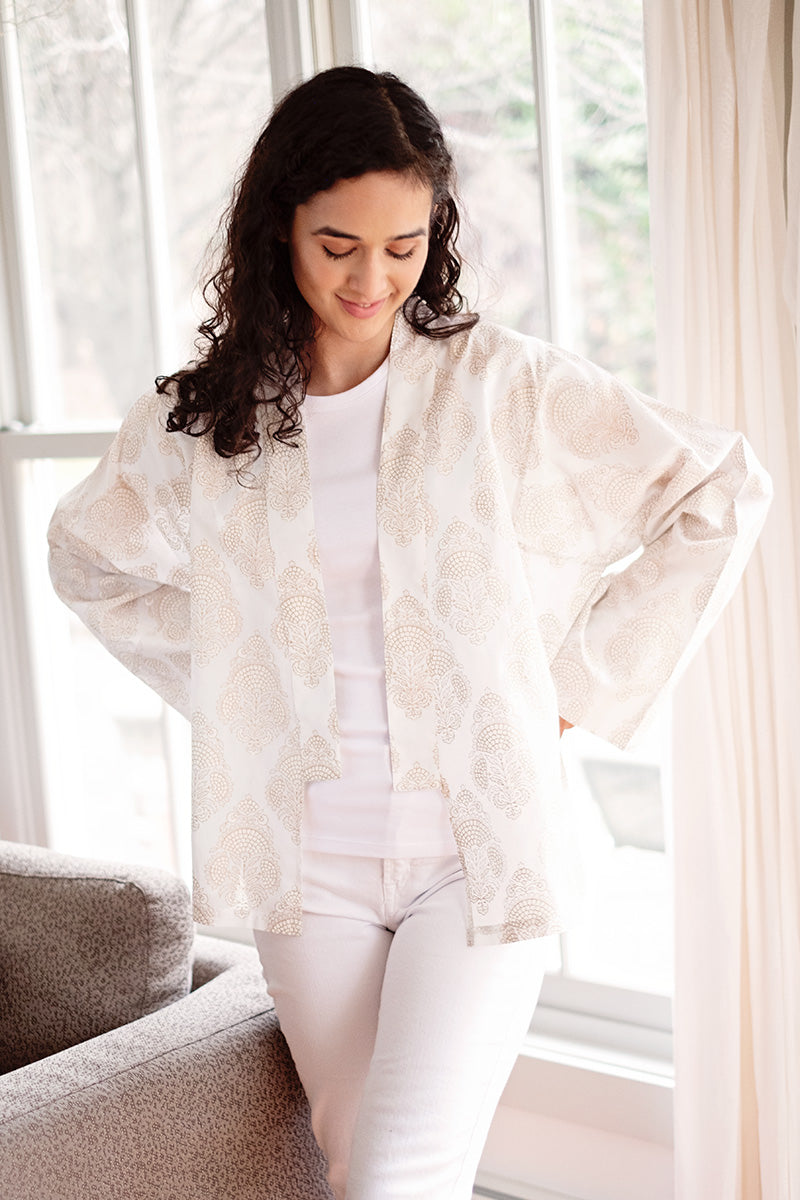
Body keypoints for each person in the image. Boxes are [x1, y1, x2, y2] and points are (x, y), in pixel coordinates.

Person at [47, 66, 772, 1200]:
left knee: (399, 1177)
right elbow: (86, 556)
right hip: (307, 862)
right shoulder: (206, 423)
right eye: (338, 245)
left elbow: (720, 489)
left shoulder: (500, 386)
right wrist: (247, 689)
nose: (371, 279)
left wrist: (568, 688)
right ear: (277, 226)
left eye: (403, 246)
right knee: (356, 1171)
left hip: (471, 848)